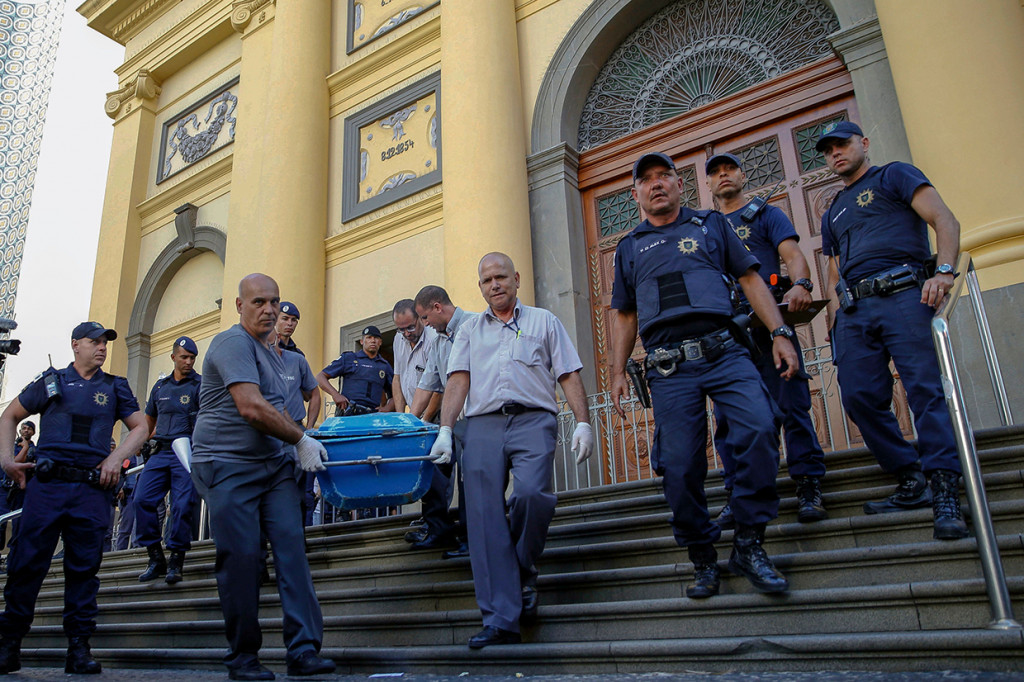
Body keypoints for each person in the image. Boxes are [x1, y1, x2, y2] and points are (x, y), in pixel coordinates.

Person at [609, 151, 800, 600]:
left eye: (664, 177)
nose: (656, 184)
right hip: (669, 367)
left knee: (758, 426)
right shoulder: (630, 246)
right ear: (635, 193)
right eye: (646, 180)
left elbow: (751, 279)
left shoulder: (712, 226)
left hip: (725, 351)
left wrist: (780, 333)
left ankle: (750, 542)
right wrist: (617, 371)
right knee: (678, 466)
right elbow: (625, 314)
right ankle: (702, 554)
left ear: (680, 185)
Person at [429, 253, 594, 649]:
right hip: (483, 425)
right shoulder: (470, 331)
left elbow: (568, 373)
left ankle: (519, 570)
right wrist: (446, 430)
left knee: (532, 496)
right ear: (481, 287)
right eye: (486, 281)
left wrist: (584, 421)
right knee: (484, 519)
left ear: (516, 279)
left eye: (501, 277)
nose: (495, 285)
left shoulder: (544, 321)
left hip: (534, 420)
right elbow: (457, 381)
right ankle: (501, 619)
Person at [816, 121, 967, 540]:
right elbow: (832, 271)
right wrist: (836, 320)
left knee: (924, 390)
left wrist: (944, 272)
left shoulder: (896, 174)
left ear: (863, 143)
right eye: (827, 150)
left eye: (842, 144)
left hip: (905, 294)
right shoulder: (833, 210)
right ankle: (909, 475)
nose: (835, 154)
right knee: (859, 396)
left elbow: (944, 218)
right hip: (855, 309)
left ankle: (944, 488)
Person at [190, 273, 335, 680]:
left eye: (274, 301)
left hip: (272, 467)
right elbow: (251, 408)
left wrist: (307, 439)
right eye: (258, 302)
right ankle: (243, 656)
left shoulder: (274, 354)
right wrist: (302, 439)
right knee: (242, 559)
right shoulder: (232, 343)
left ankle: (303, 650)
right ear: (240, 306)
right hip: (228, 465)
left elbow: (280, 409)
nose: (269, 309)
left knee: (292, 554)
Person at [0, 321, 149, 675]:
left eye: (104, 343)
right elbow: (10, 415)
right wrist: (7, 460)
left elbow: (141, 426)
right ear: (75, 345)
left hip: (91, 489)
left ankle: (78, 648)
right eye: (94, 341)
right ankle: (9, 645)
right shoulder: (51, 381)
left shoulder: (115, 387)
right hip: (47, 488)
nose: (101, 348)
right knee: (25, 565)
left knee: (84, 570)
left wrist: (116, 459)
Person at [705, 152, 828, 526]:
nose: (723, 175)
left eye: (729, 169)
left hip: (770, 326)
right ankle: (737, 492)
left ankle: (808, 483)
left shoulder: (766, 215)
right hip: (728, 336)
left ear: (743, 175)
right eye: (715, 173)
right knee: (728, 419)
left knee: (791, 405)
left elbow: (792, 255)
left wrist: (803, 284)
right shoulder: (705, 227)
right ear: (707, 184)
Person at [409, 286, 478, 560]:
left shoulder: (476, 324)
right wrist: (408, 423)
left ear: (437, 307)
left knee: (470, 482)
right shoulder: (438, 343)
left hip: (478, 419)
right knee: (434, 467)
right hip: (450, 424)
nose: (424, 324)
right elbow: (427, 386)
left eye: (425, 318)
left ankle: (472, 540)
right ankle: (438, 529)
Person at [134, 336, 202, 584]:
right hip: (160, 451)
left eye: (192, 358)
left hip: (185, 452)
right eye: (184, 357)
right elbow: (148, 421)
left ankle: (176, 558)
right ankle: (155, 556)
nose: (188, 361)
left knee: (183, 505)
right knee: (142, 499)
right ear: (173, 357)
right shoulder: (160, 387)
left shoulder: (199, 385)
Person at [391, 298, 451, 549]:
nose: (406, 333)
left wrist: (423, 420)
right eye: (401, 329)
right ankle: (430, 523)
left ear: (419, 318)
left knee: (437, 474)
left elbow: (436, 387)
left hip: (434, 418)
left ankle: (439, 529)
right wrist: (401, 417)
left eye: (410, 327)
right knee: (422, 474)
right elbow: (397, 378)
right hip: (413, 419)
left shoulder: (434, 338)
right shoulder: (398, 340)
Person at [269, 328, 321, 526]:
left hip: (296, 436)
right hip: (268, 434)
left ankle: (298, 539)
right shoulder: (255, 363)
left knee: (299, 491)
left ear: (278, 339)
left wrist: (308, 428)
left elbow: (314, 393)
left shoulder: (297, 360)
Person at [316, 326, 394, 416]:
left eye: (376, 338)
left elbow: (396, 394)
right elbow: (320, 377)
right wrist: (335, 395)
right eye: (369, 338)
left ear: (380, 342)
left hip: (371, 416)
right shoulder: (349, 358)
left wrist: (387, 409)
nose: (373, 341)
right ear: (362, 341)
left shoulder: (384, 365)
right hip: (348, 413)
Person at [0, 422, 34, 554]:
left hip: (22, 490)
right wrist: (24, 448)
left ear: (33, 432)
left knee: (19, 523)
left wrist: (26, 448)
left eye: (29, 429)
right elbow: (13, 462)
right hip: (5, 489)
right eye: (24, 428)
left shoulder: (35, 449)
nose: (26, 431)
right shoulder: (10, 447)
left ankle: (14, 553)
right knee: (1, 521)